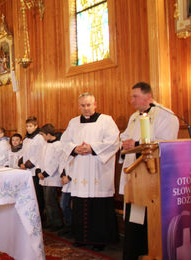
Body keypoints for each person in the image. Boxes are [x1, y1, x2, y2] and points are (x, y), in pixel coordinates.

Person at [119, 82, 179, 260]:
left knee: (149, 221)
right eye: (131, 97)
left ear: (149, 97)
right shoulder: (134, 117)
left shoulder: (166, 116)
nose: (131, 101)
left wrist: (136, 144)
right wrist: (125, 143)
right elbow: (125, 137)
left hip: (152, 178)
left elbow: (165, 144)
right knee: (135, 219)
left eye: (135, 96)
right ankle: (135, 252)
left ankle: (149, 252)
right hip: (136, 179)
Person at [60, 93, 120, 251]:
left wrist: (92, 148)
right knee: (79, 205)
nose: (86, 108)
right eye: (83, 105)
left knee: (98, 207)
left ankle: (99, 240)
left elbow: (113, 141)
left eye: (89, 105)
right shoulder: (73, 122)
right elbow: (64, 141)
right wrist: (75, 148)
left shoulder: (106, 120)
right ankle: (81, 237)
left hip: (98, 170)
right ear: (79, 106)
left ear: (95, 104)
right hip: (80, 170)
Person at [36, 123, 64, 232]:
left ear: (48, 134)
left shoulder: (58, 145)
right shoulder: (45, 144)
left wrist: (46, 173)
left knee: (51, 200)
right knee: (45, 200)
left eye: (43, 135)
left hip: (52, 178)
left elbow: (56, 162)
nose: (42, 137)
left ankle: (57, 222)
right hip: (43, 177)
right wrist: (38, 170)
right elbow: (39, 158)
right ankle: (50, 221)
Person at [18, 116, 46, 219]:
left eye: (30, 126)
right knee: (29, 194)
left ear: (36, 126)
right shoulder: (26, 138)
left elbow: (38, 154)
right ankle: (31, 214)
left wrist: (26, 164)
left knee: (38, 194)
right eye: (27, 126)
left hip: (34, 170)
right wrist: (20, 162)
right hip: (26, 170)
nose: (28, 128)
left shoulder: (39, 138)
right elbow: (23, 152)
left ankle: (40, 216)